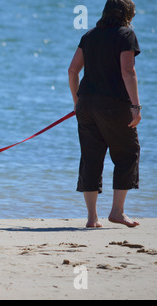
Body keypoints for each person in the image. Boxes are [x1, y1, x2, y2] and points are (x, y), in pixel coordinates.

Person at [68, 0, 142, 228]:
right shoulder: (125, 35)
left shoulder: (89, 35)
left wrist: (77, 102)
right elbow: (127, 71)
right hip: (114, 105)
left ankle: (92, 218)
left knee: (91, 158)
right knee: (128, 154)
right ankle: (117, 212)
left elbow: (72, 70)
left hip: (87, 105)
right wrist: (136, 107)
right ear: (128, 15)